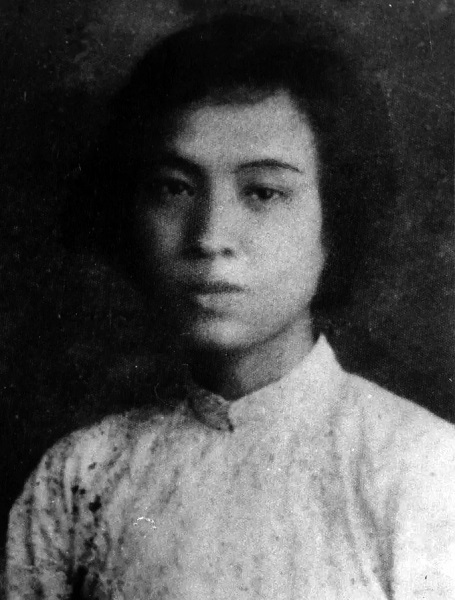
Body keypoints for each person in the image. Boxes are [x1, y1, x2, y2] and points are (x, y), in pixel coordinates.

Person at [6, 11, 455, 600]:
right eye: (175, 187)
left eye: (263, 192)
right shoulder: (80, 477)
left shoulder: (423, 470)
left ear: (336, 219)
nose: (210, 236)